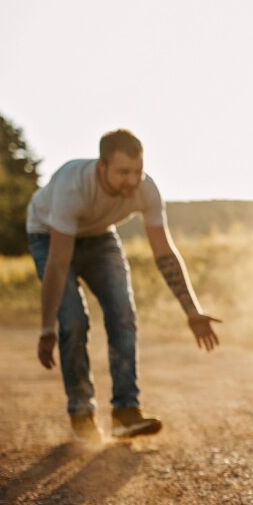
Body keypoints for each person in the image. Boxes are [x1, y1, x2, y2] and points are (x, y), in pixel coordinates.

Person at [27, 129, 220, 443]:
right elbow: (59, 263)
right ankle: (81, 412)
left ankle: (125, 412)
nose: (132, 181)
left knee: (123, 314)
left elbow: (164, 253)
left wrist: (192, 311)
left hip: (100, 236)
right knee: (74, 321)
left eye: (138, 171)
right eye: (122, 172)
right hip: (49, 236)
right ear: (101, 166)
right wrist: (48, 327)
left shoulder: (146, 190)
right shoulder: (72, 186)